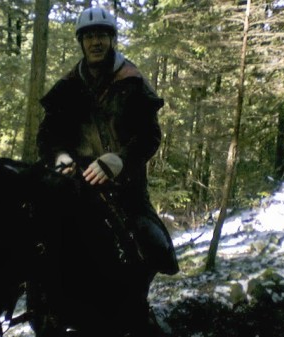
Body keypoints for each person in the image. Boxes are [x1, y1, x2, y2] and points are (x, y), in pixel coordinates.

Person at [36, 6, 179, 337]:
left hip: (124, 186)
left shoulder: (132, 82)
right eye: (89, 37)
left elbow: (149, 136)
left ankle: (137, 309)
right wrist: (59, 157)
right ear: (81, 43)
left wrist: (118, 161)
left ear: (112, 39)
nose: (95, 42)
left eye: (101, 35)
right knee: (40, 236)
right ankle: (45, 309)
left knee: (150, 241)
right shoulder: (67, 86)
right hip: (75, 183)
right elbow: (47, 136)